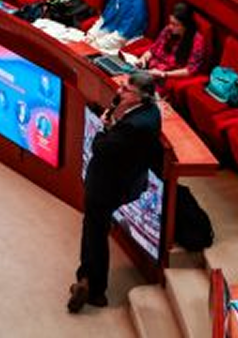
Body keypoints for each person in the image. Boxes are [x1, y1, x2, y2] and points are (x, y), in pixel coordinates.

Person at [69, 71, 162, 313]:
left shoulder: (136, 125)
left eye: (126, 90)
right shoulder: (148, 112)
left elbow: (100, 147)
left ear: (141, 97)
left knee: (96, 232)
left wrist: (103, 128)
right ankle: (86, 278)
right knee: (93, 229)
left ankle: (95, 289)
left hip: (108, 186)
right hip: (119, 180)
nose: (119, 92)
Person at [135, 1, 209, 85]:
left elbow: (190, 70)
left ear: (186, 25)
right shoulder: (168, 30)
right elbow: (153, 50)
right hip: (151, 69)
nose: (170, 27)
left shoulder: (197, 41)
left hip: (167, 76)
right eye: (170, 23)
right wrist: (143, 59)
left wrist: (164, 74)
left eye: (175, 24)